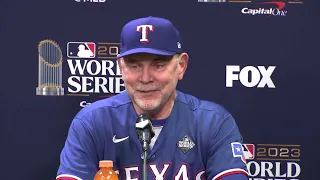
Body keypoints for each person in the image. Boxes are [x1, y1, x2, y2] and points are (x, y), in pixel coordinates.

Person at [56, 16, 249, 180]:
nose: (146, 78)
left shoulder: (213, 122)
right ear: (121, 68)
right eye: (134, 65)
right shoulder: (92, 122)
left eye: (158, 65)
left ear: (181, 65)